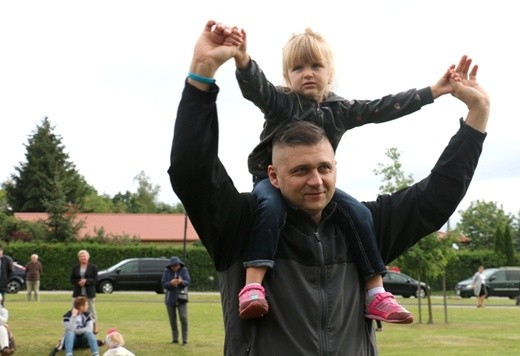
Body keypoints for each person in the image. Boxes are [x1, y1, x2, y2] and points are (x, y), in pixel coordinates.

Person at [168, 20, 489, 354]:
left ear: (336, 168)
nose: (316, 180)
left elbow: (436, 198)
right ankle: (254, 286)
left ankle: (375, 292)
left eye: (324, 168)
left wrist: (477, 114)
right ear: (274, 175)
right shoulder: (242, 226)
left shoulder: (361, 224)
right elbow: (192, 169)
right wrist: (202, 74)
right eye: (301, 170)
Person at [232, 26, 457, 322]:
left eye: (316, 65)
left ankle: (375, 293)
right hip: (271, 183)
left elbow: (382, 108)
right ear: (287, 77)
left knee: (360, 215)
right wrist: (242, 58)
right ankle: (253, 286)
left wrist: (432, 92)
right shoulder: (281, 102)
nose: (307, 73)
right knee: (270, 208)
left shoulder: (339, 110)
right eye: (297, 68)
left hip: (317, 189)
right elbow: (256, 87)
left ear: (330, 71)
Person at [161, 256, 191, 345]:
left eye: (177, 266)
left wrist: (181, 281)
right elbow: (163, 284)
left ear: (179, 265)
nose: (175, 267)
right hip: (170, 299)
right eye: (173, 266)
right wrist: (171, 283)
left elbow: (188, 282)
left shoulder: (184, 270)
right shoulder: (167, 272)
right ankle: (175, 338)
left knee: (183, 318)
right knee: (172, 319)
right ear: (170, 266)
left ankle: (185, 339)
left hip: (182, 298)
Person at [71, 250, 99, 334]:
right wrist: (79, 282)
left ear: (88, 257)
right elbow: (72, 279)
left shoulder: (93, 267)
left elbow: (95, 279)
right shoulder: (75, 267)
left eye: (84, 256)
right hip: (78, 292)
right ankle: (76, 326)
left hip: (89, 293)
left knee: (91, 310)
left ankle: (94, 325)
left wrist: (86, 281)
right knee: (76, 309)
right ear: (78, 258)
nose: (83, 258)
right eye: (81, 256)